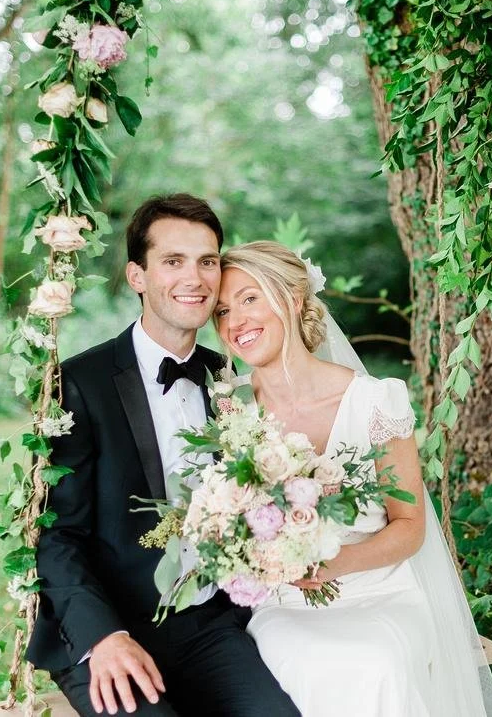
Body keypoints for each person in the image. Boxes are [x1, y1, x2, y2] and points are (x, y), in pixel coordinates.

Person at [26, 196, 299, 717]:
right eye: (173, 261)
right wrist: (104, 637)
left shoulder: (230, 380)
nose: (193, 278)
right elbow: (57, 536)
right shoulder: (78, 384)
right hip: (109, 629)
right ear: (137, 276)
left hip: (208, 625)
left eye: (207, 261)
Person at [213, 240, 492, 716]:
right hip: (287, 603)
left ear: (291, 298)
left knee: (378, 663)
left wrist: (337, 563)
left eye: (250, 299)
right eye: (223, 311)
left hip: (382, 592)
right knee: (299, 660)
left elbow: (410, 526)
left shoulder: (374, 401)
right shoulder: (231, 410)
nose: (235, 322)